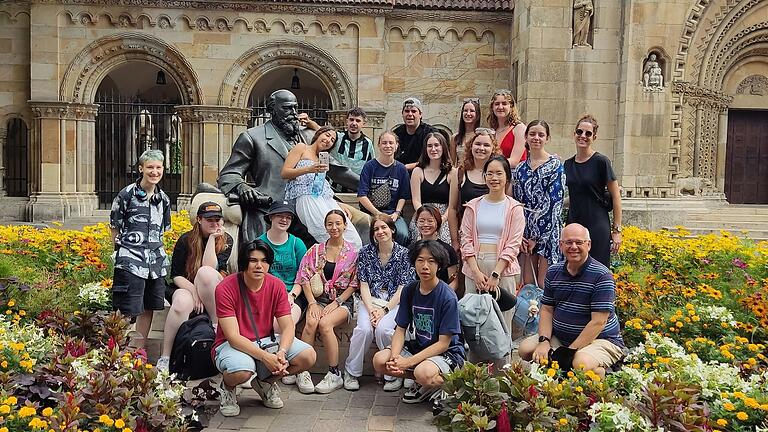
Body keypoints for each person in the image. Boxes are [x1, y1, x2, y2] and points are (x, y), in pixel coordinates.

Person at [217, 89, 359, 244]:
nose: (293, 113)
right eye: (286, 108)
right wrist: (242, 187)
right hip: (270, 207)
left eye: (295, 108)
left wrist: (368, 185)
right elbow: (229, 174)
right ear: (272, 109)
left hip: (309, 204)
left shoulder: (308, 136)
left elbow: (338, 170)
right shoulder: (252, 137)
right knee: (259, 249)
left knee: (355, 231)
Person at [213, 240, 317, 415]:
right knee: (242, 371)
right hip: (231, 344)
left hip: (266, 340)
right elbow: (232, 336)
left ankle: (264, 382)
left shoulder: (276, 285)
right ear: (244, 263)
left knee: (308, 356)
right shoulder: (225, 288)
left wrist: (282, 353)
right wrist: (265, 357)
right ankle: (228, 387)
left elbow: (288, 327)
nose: (259, 266)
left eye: (264, 261)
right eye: (253, 260)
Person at [518, 224, 625, 377]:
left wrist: (568, 352)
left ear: (588, 245)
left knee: (579, 362)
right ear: (561, 245)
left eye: (579, 242)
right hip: (562, 338)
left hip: (601, 339)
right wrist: (544, 341)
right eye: (568, 242)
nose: (573, 247)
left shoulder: (602, 275)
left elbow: (598, 322)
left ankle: (602, 373)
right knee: (526, 349)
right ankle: (563, 368)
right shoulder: (554, 272)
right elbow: (547, 309)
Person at [372, 240, 465, 405]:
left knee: (424, 373)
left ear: (439, 265)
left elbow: (443, 344)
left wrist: (407, 362)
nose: (425, 266)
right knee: (380, 361)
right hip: (418, 346)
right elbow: (400, 329)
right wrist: (395, 358)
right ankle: (425, 382)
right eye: (420, 260)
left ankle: (449, 385)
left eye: (431, 261)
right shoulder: (410, 290)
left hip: (448, 353)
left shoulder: (447, 297)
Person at [157, 201, 233, 371]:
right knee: (180, 304)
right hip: (186, 286)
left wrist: (213, 239)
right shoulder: (186, 240)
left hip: (212, 286)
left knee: (205, 273)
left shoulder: (226, 240)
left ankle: (215, 325)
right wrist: (194, 293)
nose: (214, 224)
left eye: (217, 220)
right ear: (199, 219)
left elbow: (209, 268)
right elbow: (176, 275)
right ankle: (166, 357)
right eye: (209, 220)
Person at [344, 215, 415, 391]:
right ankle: (351, 372)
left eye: (384, 227)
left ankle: (391, 371)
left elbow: (402, 288)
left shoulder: (404, 254)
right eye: (376, 229)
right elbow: (364, 285)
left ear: (392, 230)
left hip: (394, 303)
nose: (380, 232)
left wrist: (384, 310)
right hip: (370, 302)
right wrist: (371, 310)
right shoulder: (366, 253)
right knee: (364, 330)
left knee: (384, 329)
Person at [109, 149, 171, 349]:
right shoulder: (126, 194)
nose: (154, 172)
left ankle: (139, 350)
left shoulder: (164, 199)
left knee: (149, 307)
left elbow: (163, 229)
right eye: (150, 167)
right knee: (127, 308)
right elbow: (114, 226)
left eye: (158, 167)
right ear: (141, 168)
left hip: (155, 261)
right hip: (131, 260)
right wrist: (116, 253)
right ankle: (120, 349)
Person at [292, 210, 359, 394]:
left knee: (325, 324)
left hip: (343, 300)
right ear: (325, 226)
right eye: (330, 223)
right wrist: (312, 303)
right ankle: (302, 370)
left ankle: (334, 372)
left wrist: (337, 302)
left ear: (345, 226)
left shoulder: (352, 253)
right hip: (318, 298)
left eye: (338, 223)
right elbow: (303, 277)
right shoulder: (315, 250)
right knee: (311, 322)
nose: (334, 227)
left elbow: (354, 284)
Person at [460, 156, 525, 336]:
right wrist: (475, 271)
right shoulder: (473, 206)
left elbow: (513, 244)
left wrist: (496, 274)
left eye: (499, 173)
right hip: (475, 267)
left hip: (502, 268)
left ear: (507, 177)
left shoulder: (515, 208)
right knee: (472, 320)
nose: (494, 178)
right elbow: (465, 239)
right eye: (489, 173)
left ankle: (503, 364)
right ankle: (473, 363)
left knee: (502, 322)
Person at [281, 125, 363, 249]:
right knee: (327, 235)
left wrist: (338, 205)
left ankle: (350, 266)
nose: (328, 140)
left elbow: (323, 187)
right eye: (327, 135)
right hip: (306, 197)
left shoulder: (323, 158)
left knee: (353, 238)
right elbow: (285, 173)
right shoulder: (301, 147)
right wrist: (309, 169)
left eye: (332, 141)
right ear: (318, 134)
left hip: (326, 199)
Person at [564, 114, 622, 268]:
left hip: (597, 224)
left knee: (598, 270)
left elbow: (616, 196)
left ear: (594, 137)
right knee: (573, 269)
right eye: (579, 132)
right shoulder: (567, 164)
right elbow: (576, 195)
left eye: (588, 133)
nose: (583, 136)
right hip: (574, 222)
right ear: (574, 134)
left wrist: (616, 231)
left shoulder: (601, 162)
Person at [513, 120, 566, 286]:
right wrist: (521, 235)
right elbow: (516, 202)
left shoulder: (555, 165)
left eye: (541, 134)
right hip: (525, 231)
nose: (536, 138)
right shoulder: (520, 169)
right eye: (532, 134)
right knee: (528, 283)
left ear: (547, 138)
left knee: (544, 284)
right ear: (526, 137)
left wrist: (538, 238)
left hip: (547, 232)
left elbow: (554, 204)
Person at [447, 128, 501, 252]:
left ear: (493, 148)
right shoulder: (459, 173)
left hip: (494, 237)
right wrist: (455, 241)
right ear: (471, 147)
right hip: (467, 236)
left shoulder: (500, 174)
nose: (481, 148)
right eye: (477, 144)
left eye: (486, 145)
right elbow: (453, 208)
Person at [257, 200, 307, 330]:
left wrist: (291, 295)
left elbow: (303, 277)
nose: (284, 220)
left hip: (293, 294)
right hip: (265, 294)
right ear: (271, 216)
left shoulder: (297, 244)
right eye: (280, 215)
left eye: (288, 217)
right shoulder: (259, 244)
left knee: (281, 323)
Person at [358, 131, 412, 246]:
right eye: (384, 143)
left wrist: (397, 213)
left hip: (393, 214)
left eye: (391, 143)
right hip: (371, 213)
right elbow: (362, 195)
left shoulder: (401, 169)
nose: (388, 146)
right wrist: (377, 213)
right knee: (369, 236)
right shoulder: (369, 166)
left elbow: (403, 196)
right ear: (378, 145)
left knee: (403, 234)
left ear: (396, 145)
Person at [302, 107, 374, 178]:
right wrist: (308, 121)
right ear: (347, 121)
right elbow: (320, 129)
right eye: (351, 120)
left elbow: (371, 166)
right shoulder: (337, 137)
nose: (354, 123)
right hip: (334, 186)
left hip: (355, 186)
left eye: (358, 121)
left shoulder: (368, 143)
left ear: (363, 124)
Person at [409, 132, 454, 244]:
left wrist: (441, 219)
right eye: (429, 146)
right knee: (419, 239)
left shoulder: (452, 172)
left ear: (443, 147)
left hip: (444, 216)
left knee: (443, 240)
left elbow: (452, 203)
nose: (433, 149)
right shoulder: (418, 171)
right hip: (422, 214)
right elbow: (416, 200)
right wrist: (426, 217)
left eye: (437, 145)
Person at [414, 205, 459, 290]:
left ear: (438, 223)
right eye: (421, 221)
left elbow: (453, 281)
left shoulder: (448, 250)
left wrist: (443, 297)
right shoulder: (413, 249)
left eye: (430, 221)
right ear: (416, 223)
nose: (425, 224)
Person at [393, 97, 437, 171]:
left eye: (413, 111)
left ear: (420, 114)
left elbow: (434, 159)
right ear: (402, 114)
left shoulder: (431, 133)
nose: (410, 114)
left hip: (425, 174)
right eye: (407, 111)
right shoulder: (396, 134)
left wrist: (405, 167)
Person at [488, 89, 527, 167]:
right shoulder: (492, 131)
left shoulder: (519, 129)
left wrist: (487, 164)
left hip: (514, 175)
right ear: (492, 107)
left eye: (504, 103)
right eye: (497, 104)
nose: (500, 107)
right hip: (494, 175)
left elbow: (514, 161)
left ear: (511, 106)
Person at [451, 98, 482, 166]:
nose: (468, 113)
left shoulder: (480, 136)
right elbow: (452, 163)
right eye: (465, 110)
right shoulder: (455, 137)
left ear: (477, 114)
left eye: (472, 111)